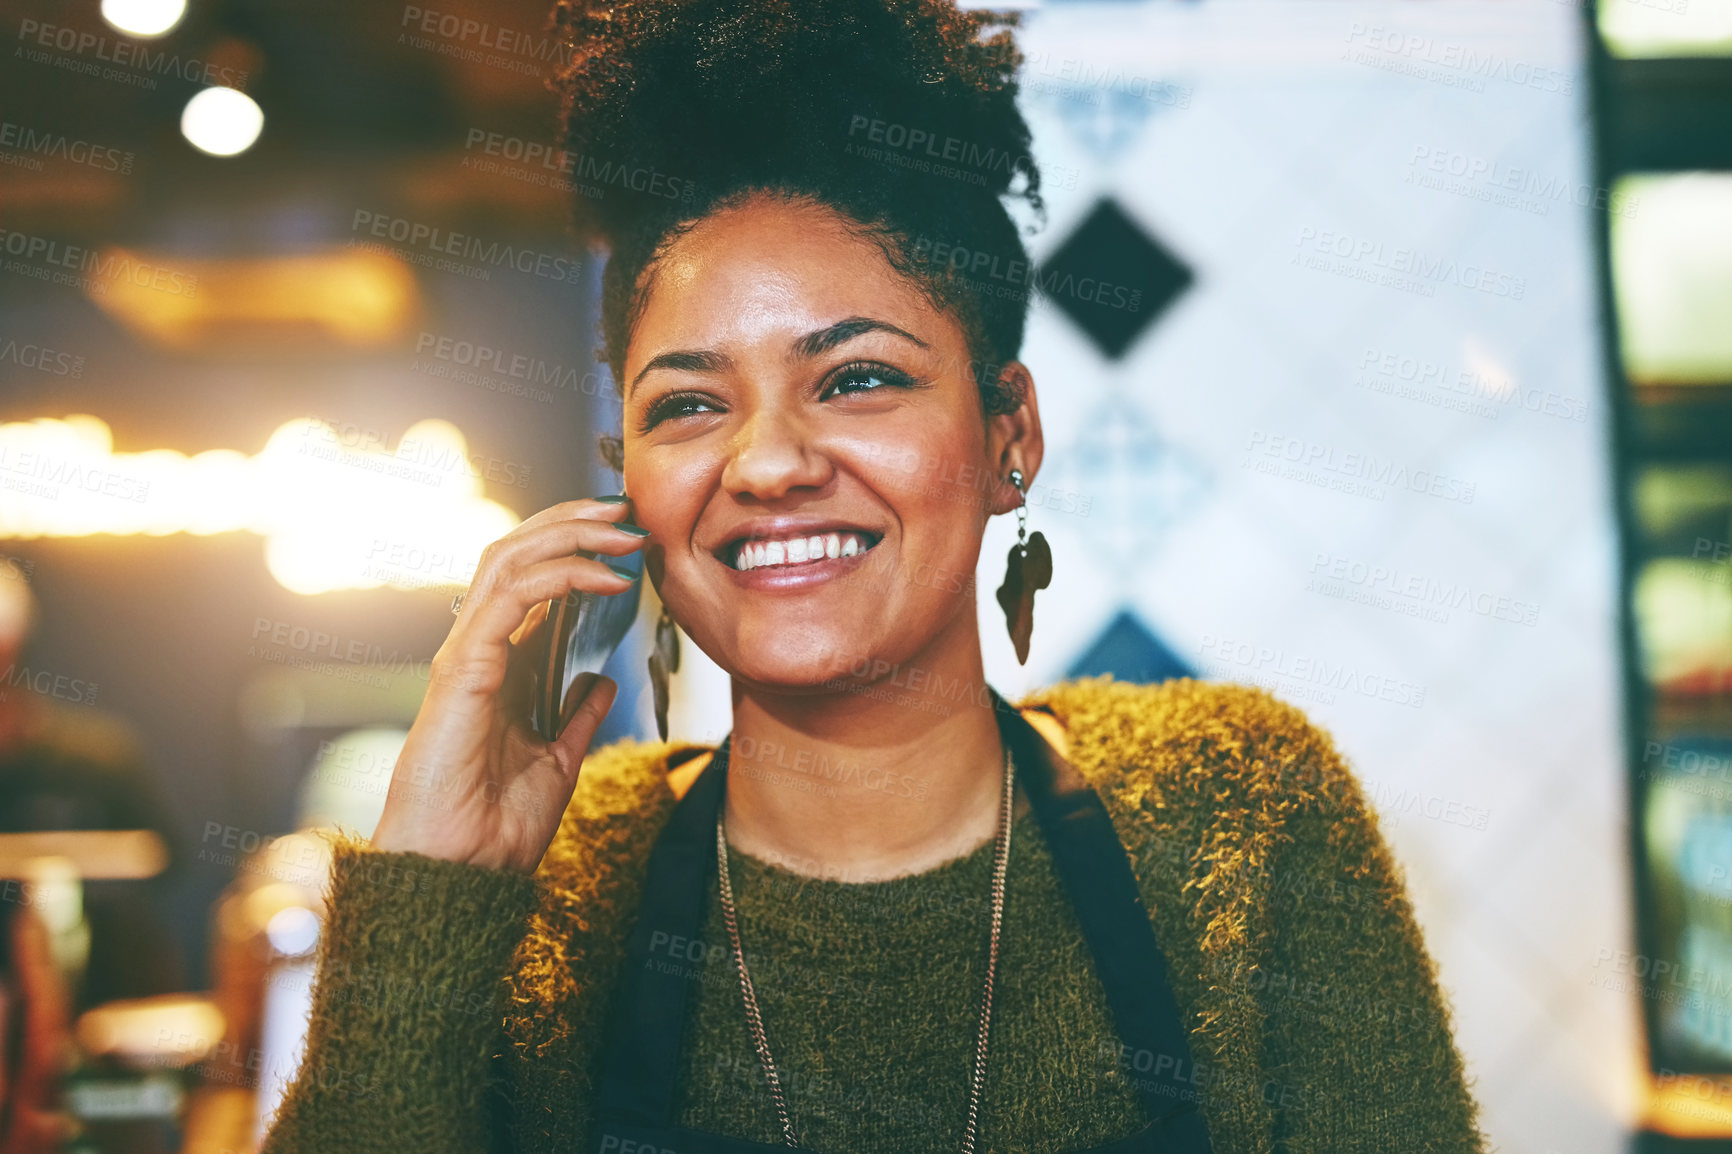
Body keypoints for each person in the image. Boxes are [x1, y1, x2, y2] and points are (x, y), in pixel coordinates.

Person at [261, 1, 1485, 1151]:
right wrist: (432, 893)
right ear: (623, 480)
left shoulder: (1239, 808)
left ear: (1009, 433)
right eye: (688, 403)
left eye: (856, 378)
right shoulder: (560, 882)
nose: (770, 462)